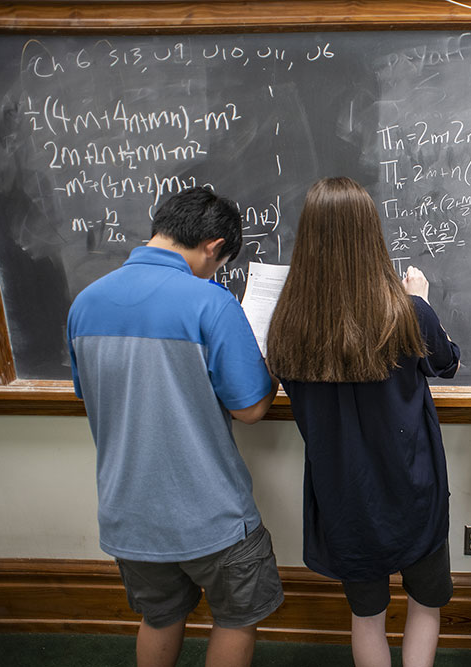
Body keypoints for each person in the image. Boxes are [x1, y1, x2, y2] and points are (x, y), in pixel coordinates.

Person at [67, 187, 283, 667]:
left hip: (129, 511)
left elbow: (90, 394)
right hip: (211, 514)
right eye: (220, 261)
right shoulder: (211, 302)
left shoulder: (85, 303)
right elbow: (250, 409)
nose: (217, 271)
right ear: (212, 246)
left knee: (160, 616)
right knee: (235, 616)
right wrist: (269, 371)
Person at [265, 177, 460, 667]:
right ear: (371, 236)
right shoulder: (407, 313)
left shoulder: (286, 324)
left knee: (366, 618)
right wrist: (423, 300)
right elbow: (448, 362)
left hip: (343, 496)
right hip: (413, 488)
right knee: (425, 604)